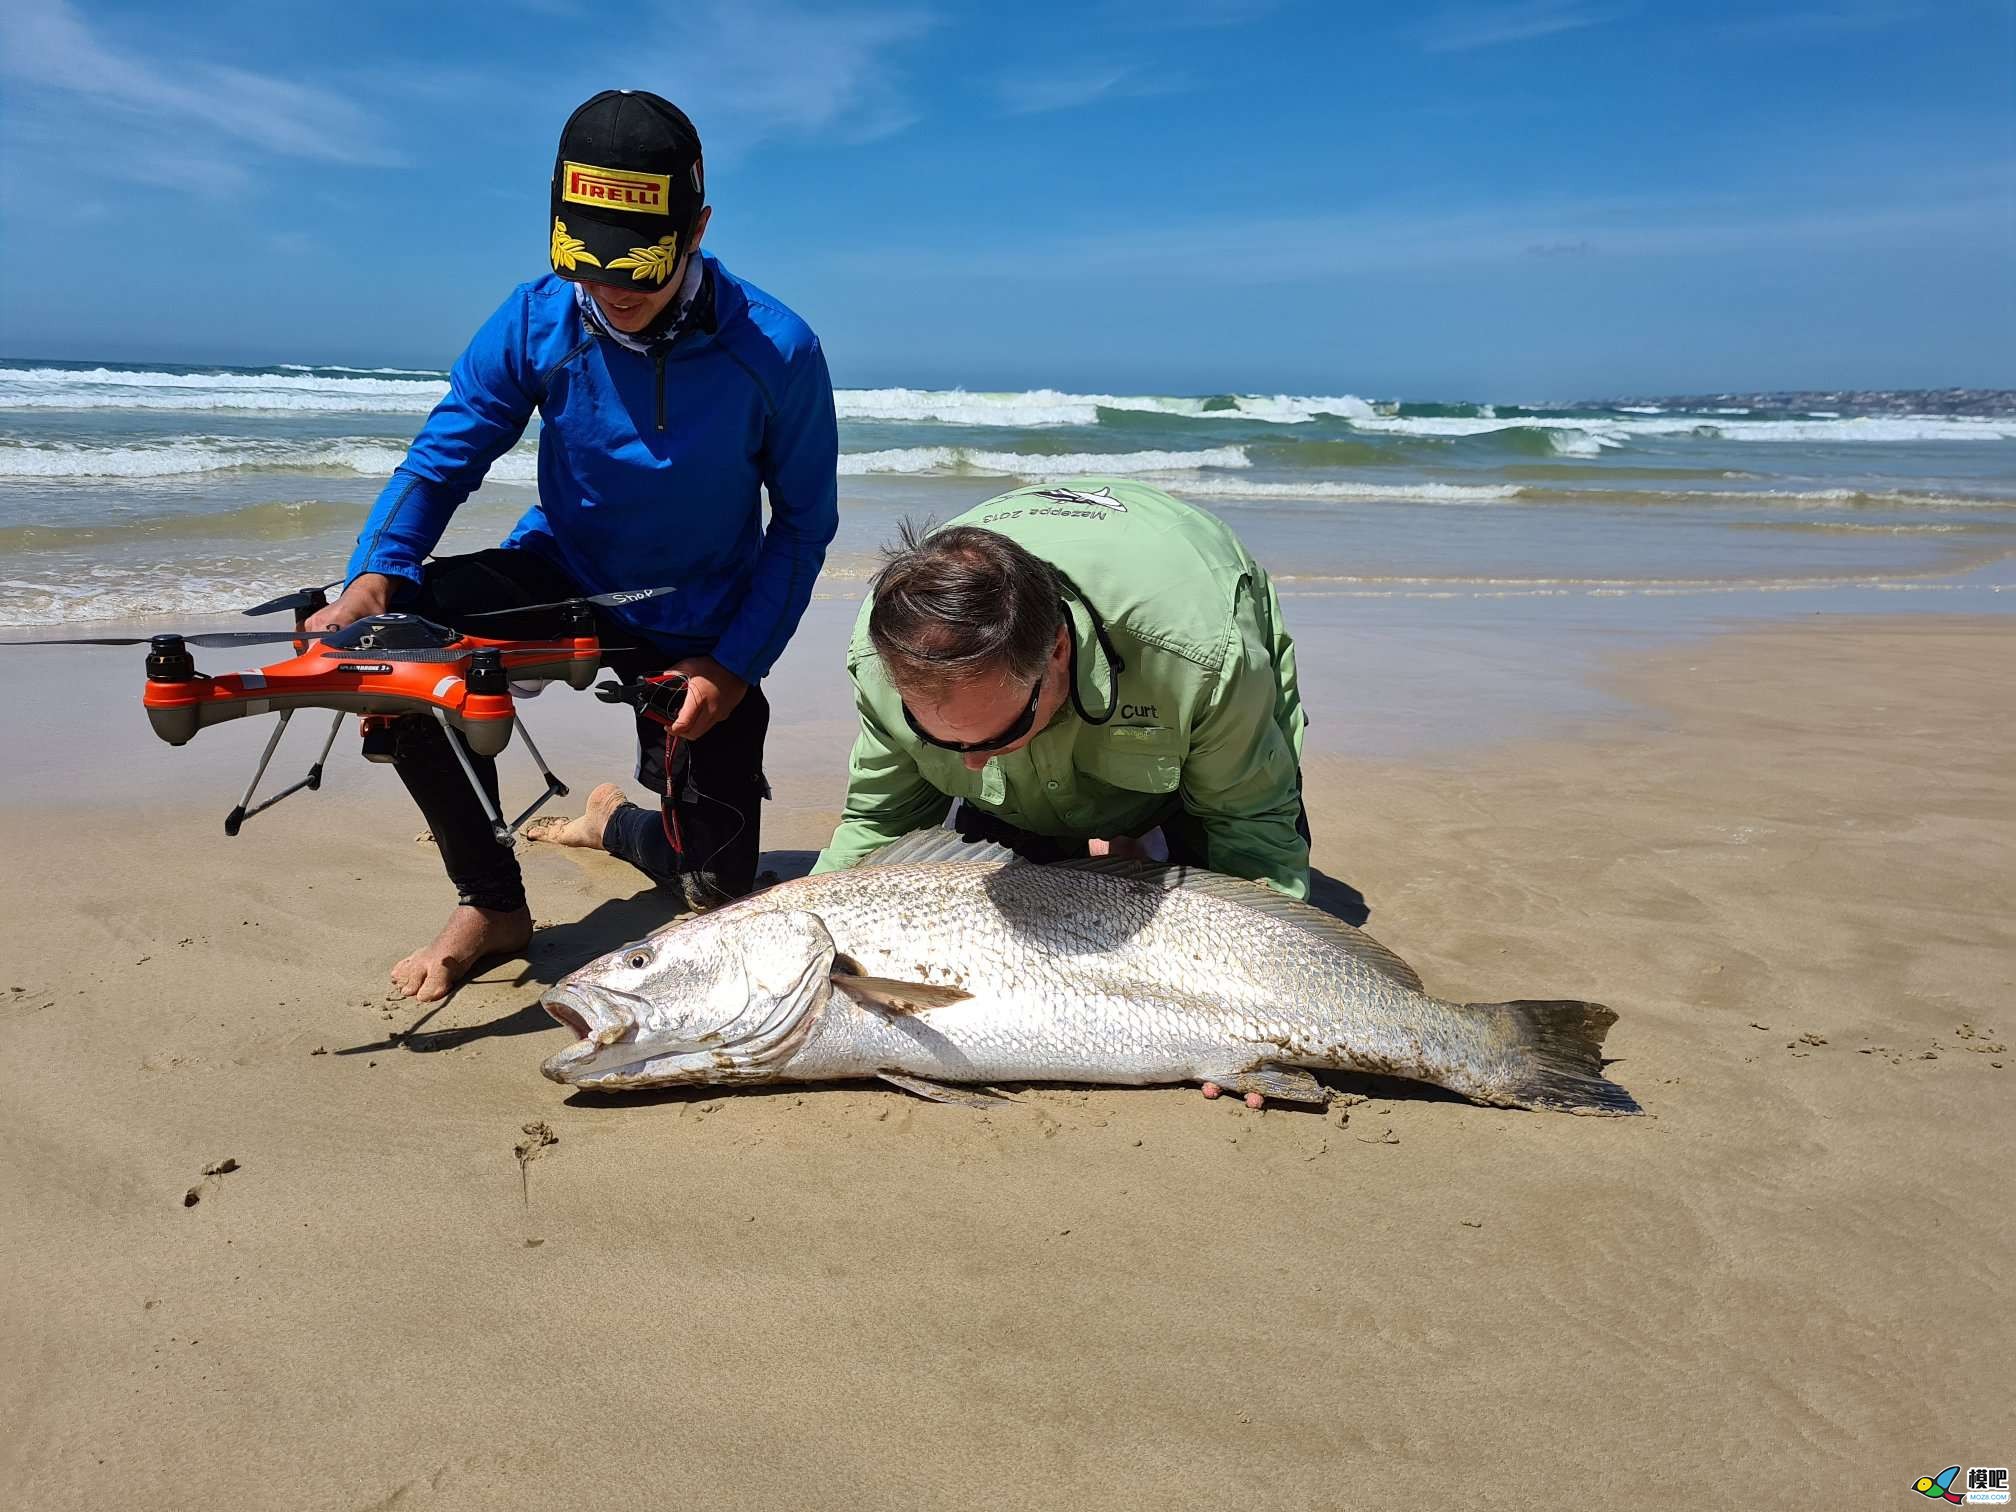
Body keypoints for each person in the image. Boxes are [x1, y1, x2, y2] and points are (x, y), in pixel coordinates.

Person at [309, 89, 838, 1002]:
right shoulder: (537, 318)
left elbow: (802, 526)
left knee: (715, 888)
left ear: (697, 227)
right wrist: (373, 579)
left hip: (698, 618)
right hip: (564, 572)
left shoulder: (777, 351)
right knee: (387, 648)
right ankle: (491, 905)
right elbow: (446, 457)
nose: (611, 290)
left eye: (639, 264)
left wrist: (734, 666)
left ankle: (617, 825)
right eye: (584, 262)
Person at [812, 476, 1309, 904]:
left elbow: (1250, 832)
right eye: (940, 738)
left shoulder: (1202, 655)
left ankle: (1148, 841)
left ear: (1057, 649)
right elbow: (881, 829)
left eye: (998, 736)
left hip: (1184, 604)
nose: (972, 765)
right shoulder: (886, 653)